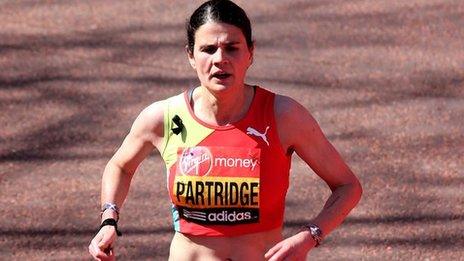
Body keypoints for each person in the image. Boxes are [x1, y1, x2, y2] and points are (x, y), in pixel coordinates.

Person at [88, 0, 362, 260]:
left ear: (250, 53)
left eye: (232, 48)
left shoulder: (283, 115)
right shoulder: (163, 117)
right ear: (191, 56)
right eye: (208, 49)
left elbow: (348, 186)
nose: (220, 59)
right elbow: (120, 166)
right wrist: (109, 220)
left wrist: (309, 236)